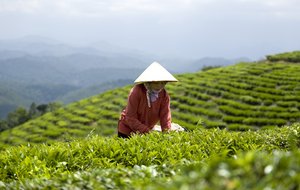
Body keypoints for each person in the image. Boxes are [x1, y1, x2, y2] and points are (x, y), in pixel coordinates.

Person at [117, 61, 178, 138]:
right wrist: (148, 132)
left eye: (163, 83)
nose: (159, 86)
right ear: (149, 82)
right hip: (127, 131)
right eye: (156, 83)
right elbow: (130, 117)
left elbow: (165, 117)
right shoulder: (136, 92)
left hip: (147, 132)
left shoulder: (164, 96)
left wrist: (166, 134)